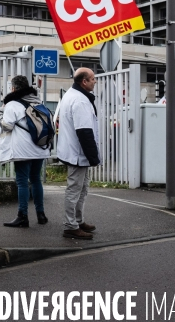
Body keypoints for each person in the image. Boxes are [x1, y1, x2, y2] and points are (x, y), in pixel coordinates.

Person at [0, 75, 50, 228]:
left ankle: (23, 216)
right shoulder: (38, 101)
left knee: (22, 182)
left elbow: (7, 126)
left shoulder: (12, 104)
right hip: (39, 147)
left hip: (22, 150)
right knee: (36, 179)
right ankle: (41, 215)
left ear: (13, 88)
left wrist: (0, 116)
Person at [56, 67, 100, 240]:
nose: (95, 81)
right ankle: (70, 225)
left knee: (81, 189)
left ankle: (78, 220)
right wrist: (93, 157)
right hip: (77, 154)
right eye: (93, 79)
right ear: (84, 81)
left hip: (73, 151)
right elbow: (84, 132)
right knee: (75, 190)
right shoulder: (80, 100)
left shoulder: (71, 95)